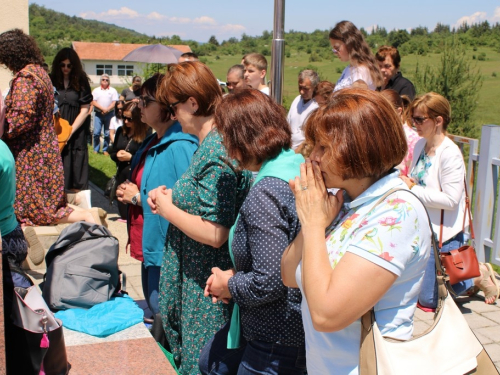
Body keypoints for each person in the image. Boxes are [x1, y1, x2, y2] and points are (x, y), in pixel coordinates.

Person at [281, 89, 432, 374]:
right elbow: (289, 276)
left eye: (324, 148)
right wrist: (313, 222)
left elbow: (326, 314)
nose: (313, 157)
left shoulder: (397, 213)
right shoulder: (346, 201)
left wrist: (314, 225)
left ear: (360, 148)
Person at [147, 61, 252, 374]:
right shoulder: (211, 144)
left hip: (207, 289)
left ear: (192, 102)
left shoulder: (216, 150)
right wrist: (170, 199)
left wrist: (168, 209)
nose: (172, 113)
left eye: (173, 105)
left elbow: (216, 231)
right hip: (200, 282)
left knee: (201, 363)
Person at [199, 89, 306, 375]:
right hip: (291, 331)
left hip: (275, 340)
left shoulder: (267, 192)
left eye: (225, 138)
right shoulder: (295, 166)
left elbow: (269, 280)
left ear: (240, 138)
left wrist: (227, 286)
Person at [400, 92, 499, 308]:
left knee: (429, 300)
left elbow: (451, 200)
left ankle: (478, 275)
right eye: (413, 118)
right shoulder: (420, 146)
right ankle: (466, 278)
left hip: (446, 233)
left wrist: (412, 188)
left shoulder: (450, 154)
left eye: (419, 119)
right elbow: (418, 181)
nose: (413, 123)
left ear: (438, 121)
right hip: (425, 228)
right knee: (424, 296)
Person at [115, 73, 198, 319]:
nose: (139, 105)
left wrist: (136, 198)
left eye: (145, 101)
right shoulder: (153, 140)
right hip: (149, 242)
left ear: (166, 107)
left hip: (167, 250)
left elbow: (188, 200)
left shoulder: (182, 145)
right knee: (155, 311)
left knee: (164, 316)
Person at [0, 29, 97, 229]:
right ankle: (87, 216)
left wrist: (3, 128)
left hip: (31, 154)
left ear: (11, 55)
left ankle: (87, 217)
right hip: (44, 149)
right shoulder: (40, 73)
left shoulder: (26, 78)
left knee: (39, 210)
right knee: (43, 207)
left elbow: (20, 119)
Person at [50, 47, 93, 192]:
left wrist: (70, 131)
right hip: (56, 131)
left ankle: (79, 209)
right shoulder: (52, 80)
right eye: (62, 65)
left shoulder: (81, 82)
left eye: (69, 65)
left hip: (76, 132)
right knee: (57, 174)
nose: (66, 68)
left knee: (77, 175)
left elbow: (85, 109)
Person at [109, 101, 149, 220]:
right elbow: (112, 151)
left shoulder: (146, 133)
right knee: (123, 212)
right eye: (124, 118)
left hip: (135, 175)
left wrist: (131, 157)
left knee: (134, 213)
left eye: (130, 119)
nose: (126, 121)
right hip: (122, 173)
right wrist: (117, 155)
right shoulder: (121, 131)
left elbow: (147, 157)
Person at [330, 21, 383, 91]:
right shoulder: (349, 69)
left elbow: (358, 100)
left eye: (337, 48)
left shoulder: (361, 71)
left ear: (349, 44)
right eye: (333, 49)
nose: (335, 52)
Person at [379, 90, 420, 177]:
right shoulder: (380, 134)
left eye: (385, 113)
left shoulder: (413, 139)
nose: (380, 118)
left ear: (398, 111)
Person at [288, 69, 319, 150]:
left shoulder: (317, 106)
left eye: (306, 88)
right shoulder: (297, 100)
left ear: (314, 87)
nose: (302, 91)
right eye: (300, 87)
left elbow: (312, 139)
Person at [92, 73, 119, 155]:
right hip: (98, 114)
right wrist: (102, 109)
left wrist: (107, 109)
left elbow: (115, 102)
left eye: (107, 80)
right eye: (103, 79)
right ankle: (96, 149)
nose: (105, 81)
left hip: (109, 114)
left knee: (107, 133)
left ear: (109, 82)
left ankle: (105, 150)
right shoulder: (96, 90)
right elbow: (93, 101)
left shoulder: (113, 90)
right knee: (96, 132)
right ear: (100, 81)